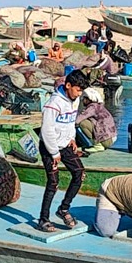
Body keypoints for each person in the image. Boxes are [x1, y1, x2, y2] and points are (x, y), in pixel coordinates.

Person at [38, 69, 89, 232]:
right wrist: (54, 153)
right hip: (49, 146)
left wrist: (72, 138)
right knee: (53, 182)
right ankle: (43, 219)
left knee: (79, 173)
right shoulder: (53, 104)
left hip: (66, 144)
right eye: (77, 89)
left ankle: (64, 209)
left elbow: (70, 121)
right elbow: (46, 130)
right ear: (68, 85)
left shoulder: (75, 99)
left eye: (81, 91)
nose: (79, 94)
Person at [76, 87, 117, 153]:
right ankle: (99, 144)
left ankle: (98, 145)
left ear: (88, 99)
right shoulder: (99, 106)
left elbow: (78, 119)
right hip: (111, 138)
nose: (82, 100)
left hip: (106, 140)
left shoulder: (92, 107)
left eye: (84, 98)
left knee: (83, 123)